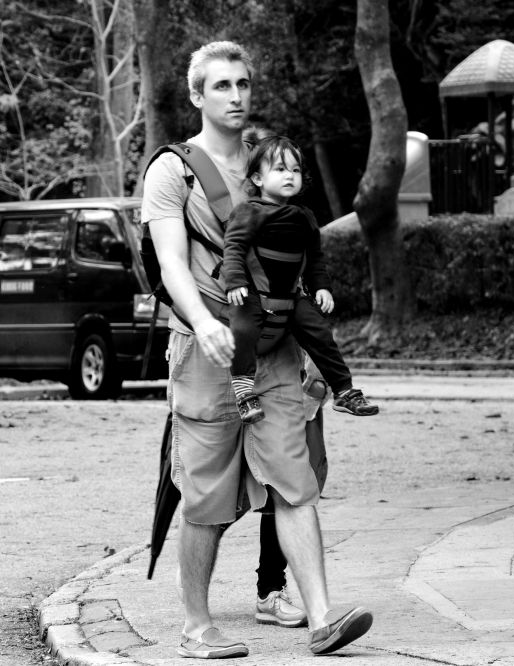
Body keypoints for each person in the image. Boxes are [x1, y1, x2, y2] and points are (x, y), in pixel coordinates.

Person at [141, 40, 373, 658]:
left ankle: (323, 618)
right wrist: (202, 321)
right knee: (207, 497)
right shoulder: (172, 171)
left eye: (242, 84)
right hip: (206, 347)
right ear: (197, 95)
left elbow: (298, 255)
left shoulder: (271, 162)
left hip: (275, 348)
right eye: (222, 86)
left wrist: (314, 341)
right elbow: (171, 264)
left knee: (295, 482)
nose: (236, 95)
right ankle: (197, 626)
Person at [223, 135, 378, 424]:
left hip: (292, 298)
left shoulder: (304, 216)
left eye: (295, 170)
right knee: (241, 331)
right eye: (280, 169)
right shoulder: (248, 212)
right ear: (257, 178)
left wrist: (321, 288)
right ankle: (244, 393)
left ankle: (344, 391)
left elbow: (314, 258)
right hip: (253, 294)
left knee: (321, 333)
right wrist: (235, 282)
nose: (290, 176)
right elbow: (233, 247)